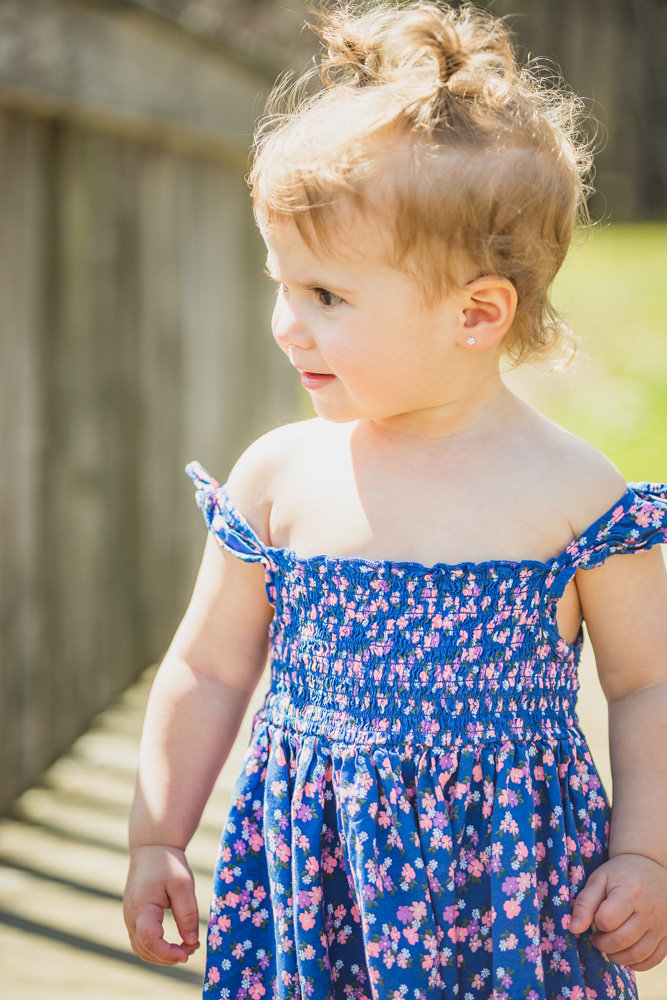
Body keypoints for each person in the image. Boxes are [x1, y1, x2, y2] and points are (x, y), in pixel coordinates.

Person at [122, 3, 667, 997]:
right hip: (316, 890)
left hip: (509, 903)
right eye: (280, 283)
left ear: (475, 312)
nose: (287, 325)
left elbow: (645, 685)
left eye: (327, 296)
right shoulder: (281, 478)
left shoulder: (577, 498)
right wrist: (158, 833)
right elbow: (204, 667)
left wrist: (646, 853)